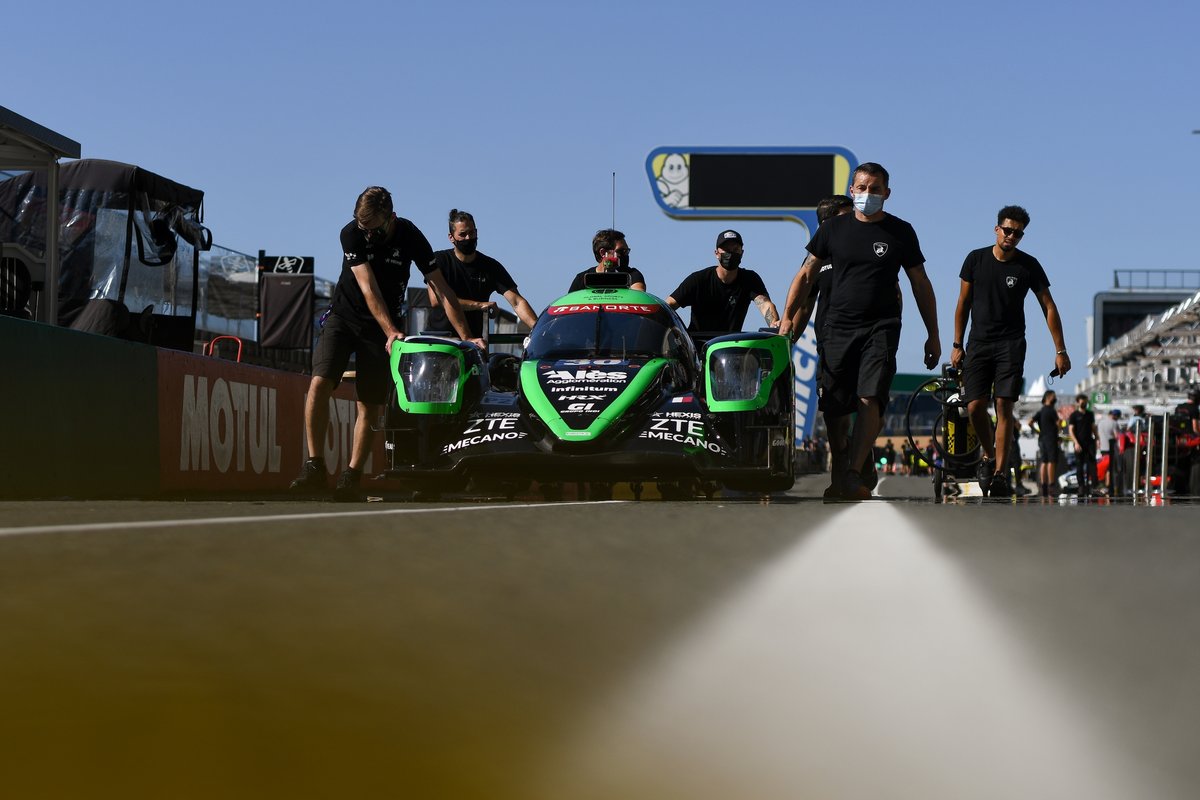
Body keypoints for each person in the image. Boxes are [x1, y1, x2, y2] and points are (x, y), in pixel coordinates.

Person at [290, 187, 482, 501]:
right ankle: (314, 465)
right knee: (319, 383)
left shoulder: (409, 235)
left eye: (373, 230)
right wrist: (392, 329)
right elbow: (368, 288)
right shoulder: (351, 234)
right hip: (344, 316)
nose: (366, 235)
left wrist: (467, 338)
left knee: (369, 402)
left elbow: (442, 289)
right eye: (362, 228)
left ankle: (351, 476)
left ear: (390, 219)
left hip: (380, 328)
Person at [779, 162, 941, 500]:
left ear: (887, 193)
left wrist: (933, 334)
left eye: (875, 188)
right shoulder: (833, 230)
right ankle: (846, 472)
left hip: (880, 327)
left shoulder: (901, 232)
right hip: (836, 329)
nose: (868, 194)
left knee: (870, 397)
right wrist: (786, 320)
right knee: (837, 413)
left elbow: (920, 284)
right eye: (862, 188)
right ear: (852, 190)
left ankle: (853, 473)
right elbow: (806, 275)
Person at [949, 205, 1070, 498]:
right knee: (975, 406)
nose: (1012, 236)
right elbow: (963, 303)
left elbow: (1048, 306)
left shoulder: (1028, 266)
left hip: (1011, 345)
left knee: (1004, 406)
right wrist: (957, 344)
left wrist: (1060, 349)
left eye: (1018, 233)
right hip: (978, 344)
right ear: (996, 229)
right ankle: (989, 457)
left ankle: (1001, 474)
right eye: (1008, 230)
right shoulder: (975, 259)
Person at [425, 209, 538, 337]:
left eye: (471, 233)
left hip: (472, 344)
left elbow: (517, 302)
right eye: (463, 234)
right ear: (451, 237)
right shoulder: (440, 260)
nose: (468, 238)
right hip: (438, 340)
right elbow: (436, 300)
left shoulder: (490, 266)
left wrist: (539, 330)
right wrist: (479, 305)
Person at [666, 230, 779, 335]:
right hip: (697, 347)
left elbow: (765, 304)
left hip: (730, 348)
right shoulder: (699, 279)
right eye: (726, 250)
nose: (731, 253)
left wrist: (775, 325)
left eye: (735, 249)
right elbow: (668, 305)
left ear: (742, 253)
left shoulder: (750, 279)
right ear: (717, 253)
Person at [569, 229, 645, 292]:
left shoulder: (631, 275)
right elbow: (569, 303)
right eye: (621, 251)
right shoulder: (582, 278)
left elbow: (638, 295)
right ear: (603, 253)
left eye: (627, 251)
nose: (625, 255)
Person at [1029, 390, 1061, 497]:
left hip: (1042, 438)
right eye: (1054, 396)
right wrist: (1060, 426)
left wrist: (1037, 431)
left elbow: (1030, 422)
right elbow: (1058, 424)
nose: (1055, 398)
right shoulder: (1051, 410)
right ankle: (1051, 485)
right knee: (1051, 461)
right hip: (1051, 438)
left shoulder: (1041, 411)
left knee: (1044, 461)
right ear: (1048, 397)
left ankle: (1044, 486)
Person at [1068, 393, 1099, 497]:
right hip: (1079, 443)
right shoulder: (1074, 415)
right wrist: (1076, 442)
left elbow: (1093, 427)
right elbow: (1071, 430)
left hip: (1089, 442)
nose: (1084, 403)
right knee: (1079, 465)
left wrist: (1097, 438)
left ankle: (1094, 486)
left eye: (1085, 401)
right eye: (1082, 401)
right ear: (1078, 402)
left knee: (1092, 464)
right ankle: (1081, 486)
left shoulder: (1090, 414)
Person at [1096, 408, 1125, 495]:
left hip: (1102, 448)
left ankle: (1104, 484)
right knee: (1110, 468)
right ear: (1115, 415)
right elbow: (1117, 436)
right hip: (1111, 448)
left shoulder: (1101, 423)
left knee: (1104, 466)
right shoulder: (1114, 423)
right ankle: (1109, 486)